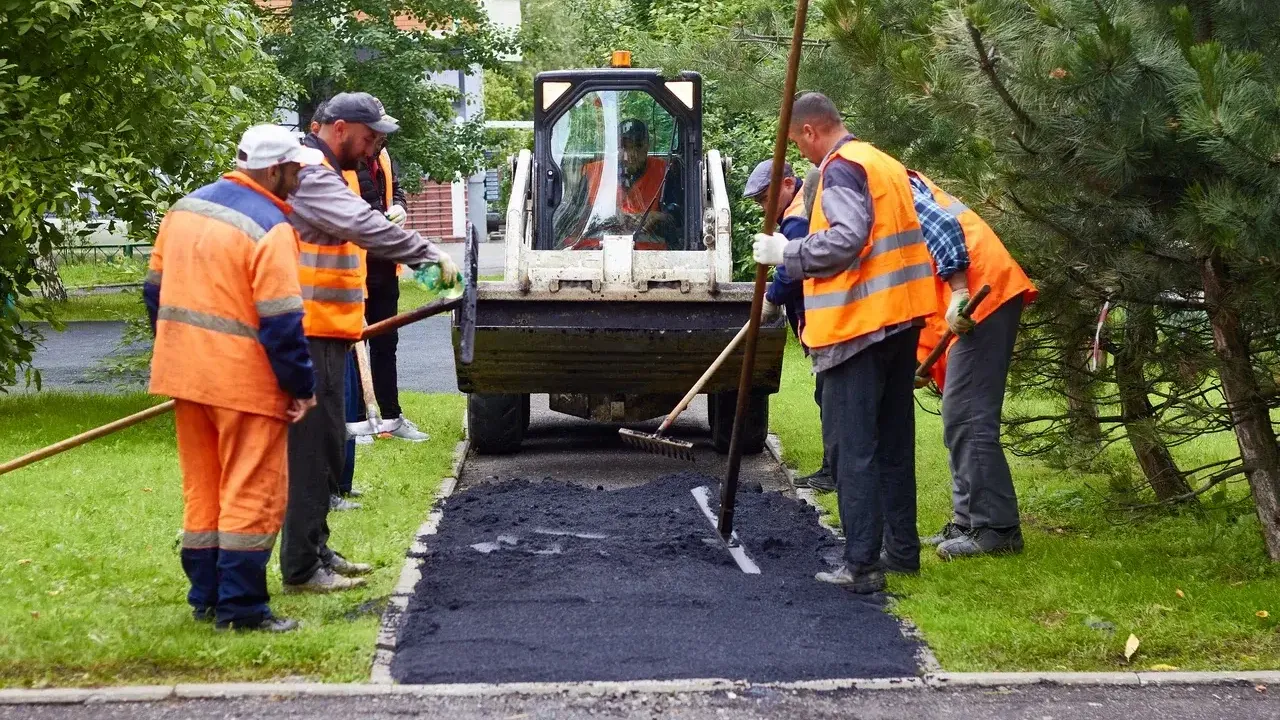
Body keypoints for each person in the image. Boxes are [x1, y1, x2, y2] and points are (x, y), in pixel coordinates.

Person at [753, 92, 938, 593]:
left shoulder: (840, 169)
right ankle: (901, 553)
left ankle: (861, 567)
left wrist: (786, 251)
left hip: (857, 329)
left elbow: (847, 237)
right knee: (894, 444)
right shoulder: (881, 161)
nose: (802, 152)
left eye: (798, 141)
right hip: (900, 323)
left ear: (811, 131)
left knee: (853, 449)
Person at [280, 91, 459, 594]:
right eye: (370, 134)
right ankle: (300, 568)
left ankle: (315, 549)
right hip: (306, 332)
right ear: (338, 128)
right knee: (314, 451)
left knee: (331, 445)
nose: (376, 144)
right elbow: (361, 224)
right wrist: (431, 261)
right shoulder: (312, 170)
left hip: (329, 330)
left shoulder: (333, 170)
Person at [145, 124, 321, 632]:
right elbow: (283, 322)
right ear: (272, 170)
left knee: (205, 490)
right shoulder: (271, 228)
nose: (300, 180)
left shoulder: (185, 209)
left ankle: (206, 597)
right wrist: (301, 388)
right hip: (244, 384)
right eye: (295, 171)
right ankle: (242, 610)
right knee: (251, 492)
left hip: (185, 375)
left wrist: (182, 348)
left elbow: (154, 293)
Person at [909, 170, 1037, 559]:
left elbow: (943, 226)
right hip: (972, 298)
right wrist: (918, 361)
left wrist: (960, 293)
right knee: (957, 413)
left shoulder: (872, 181)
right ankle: (967, 522)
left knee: (968, 415)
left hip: (982, 297)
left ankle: (997, 529)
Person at [743, 160, 833, 492]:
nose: (764, 207)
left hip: (826, 322)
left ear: (788, 183)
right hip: (822, 322)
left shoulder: (796, 218)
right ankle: (835, 468)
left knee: (830, 397)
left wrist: (772, 297)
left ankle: (834, 472)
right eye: (759, 202)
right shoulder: (795, 212)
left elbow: (793, 269)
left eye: (766, 197)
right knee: (828, 395)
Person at [352, 138, 429, 443]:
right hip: (355, 267)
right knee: (355, 348)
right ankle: (357, 422)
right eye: (374, 134)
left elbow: (393, 190)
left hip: (385, 266)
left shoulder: (382, 154)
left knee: (386, 344)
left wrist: (399, 206)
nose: (379, 141)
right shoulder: (340, 164)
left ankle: (390, 418)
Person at [574, 119, 673, 248]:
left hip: (650, 257)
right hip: (596, 251)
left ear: (648, 146)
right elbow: (574, 216)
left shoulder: (664, 171)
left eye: (638, 146)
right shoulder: (592, 173)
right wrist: (608, 214)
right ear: (617, 148)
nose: (631, 154)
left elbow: (679, 219)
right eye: (625, 147)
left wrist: (659, 217)